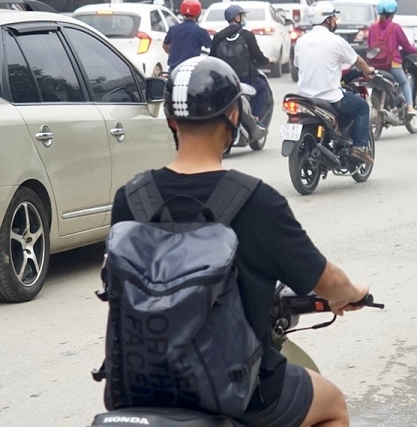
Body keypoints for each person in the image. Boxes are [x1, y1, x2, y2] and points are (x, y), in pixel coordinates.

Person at [110, 56, 369, 427]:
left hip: (141, 386)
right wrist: (351, 292)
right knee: (333, 405)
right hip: (243, 391)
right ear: (234, 117)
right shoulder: (256, 201)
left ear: (171, 120)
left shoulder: (131, 198)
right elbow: (324, 279)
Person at [295, 1, 375, 164]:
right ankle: (359, 149)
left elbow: (298, 64)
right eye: (333, 17)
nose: (335, 21)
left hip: (304, 97)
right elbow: (357, 60)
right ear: (327, 20)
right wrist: (367, 70)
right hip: (330, 96)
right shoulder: (335, 41)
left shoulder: (301, 41)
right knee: (362, 107)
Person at [210, 4, 273, 120]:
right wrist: (268, 61)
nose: (243, 18)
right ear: (237, 18)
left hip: (227, 80)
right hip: (246, 80)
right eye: (242, 16)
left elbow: (212, 58)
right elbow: (258, 56)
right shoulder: (247, 35)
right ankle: (256, 116)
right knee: (262, 88)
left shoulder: (218, 37)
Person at [368, 0, 417, 116]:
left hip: (374, 64)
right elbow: (406, 46)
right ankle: (410, 107)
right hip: (392, 64)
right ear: (392, 13)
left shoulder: (372, 28)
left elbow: (369, 45)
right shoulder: (395, 27)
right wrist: (416, 49)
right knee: (404, 83)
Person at [163, 0, 212, 71]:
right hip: (191, 71)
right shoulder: (200, 31)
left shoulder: (173, 29)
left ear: (182, 12)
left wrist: (175, 53)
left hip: (173, 71)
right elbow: (213, 47)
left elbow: (165, 46)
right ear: (199, 13)